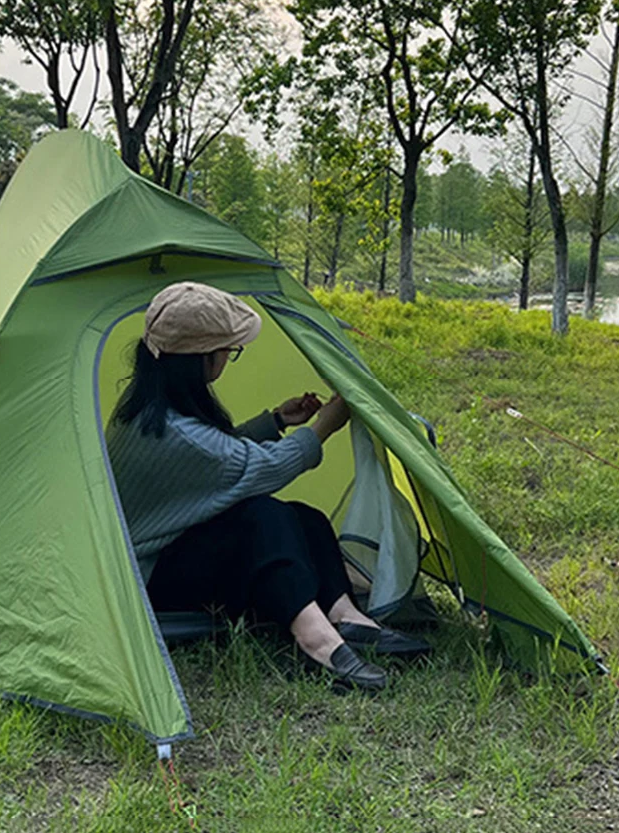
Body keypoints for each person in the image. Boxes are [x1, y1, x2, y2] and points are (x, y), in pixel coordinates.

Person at [106, 281, 428, 693]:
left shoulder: (146, 407)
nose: (228, 358)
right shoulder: (172, 433)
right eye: (228, 351)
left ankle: (347, 616)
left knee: (303, 518)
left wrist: (275, 421)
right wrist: (324, 425)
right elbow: (252, 466)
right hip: (153, 581)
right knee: (262, 516)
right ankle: (316, 638)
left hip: (176, 548)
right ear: (202, 359)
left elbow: (208, 464)